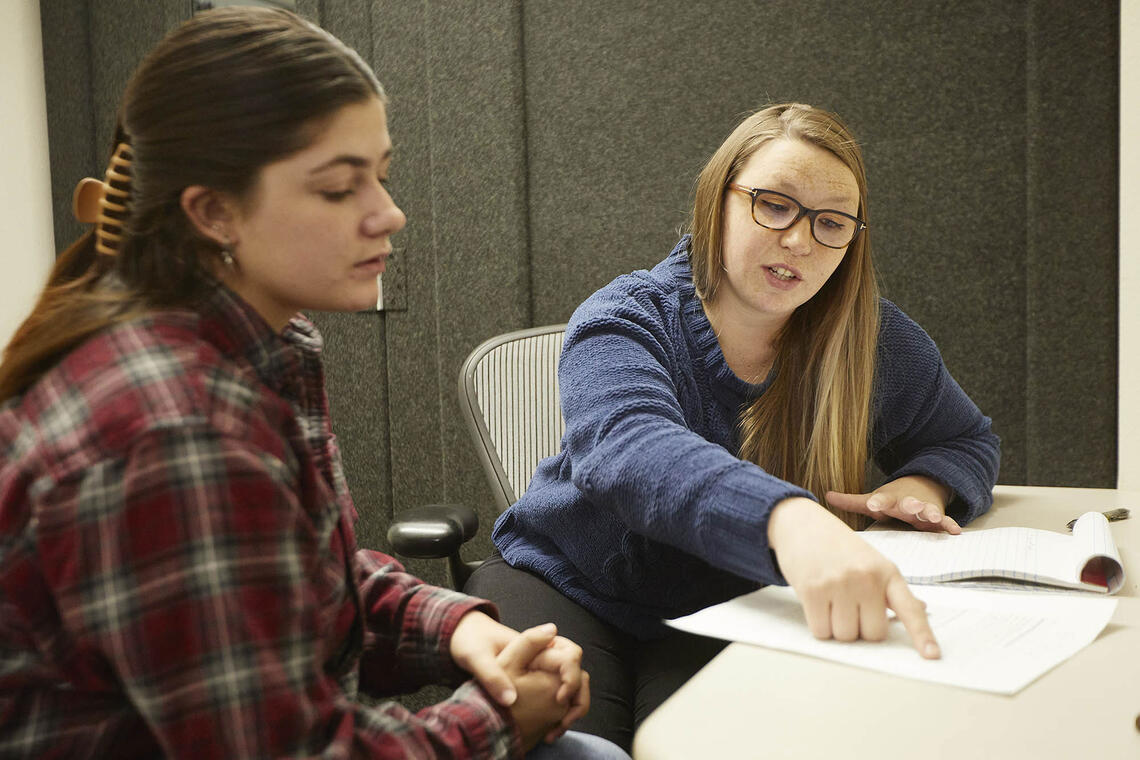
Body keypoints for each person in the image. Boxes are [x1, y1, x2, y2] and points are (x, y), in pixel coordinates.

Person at [0, 8, 631, 760]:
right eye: (338, 189)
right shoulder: (172, 431)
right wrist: (499, 720)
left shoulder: (267, 344)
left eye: (381, 177)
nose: (389, 214)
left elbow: (298, 585)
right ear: (214, 212)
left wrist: (459, 628)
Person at [465, 103, 1001, 750]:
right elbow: (628, 449)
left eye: (831, 223)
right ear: (717, 200)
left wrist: (924, 486)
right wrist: (790, 522)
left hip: (727, 602)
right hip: (566, 581)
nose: (800, 241)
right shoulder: (624, 315)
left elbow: (965, 439)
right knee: (568, 745)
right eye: (774, 205)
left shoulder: (872, 339)